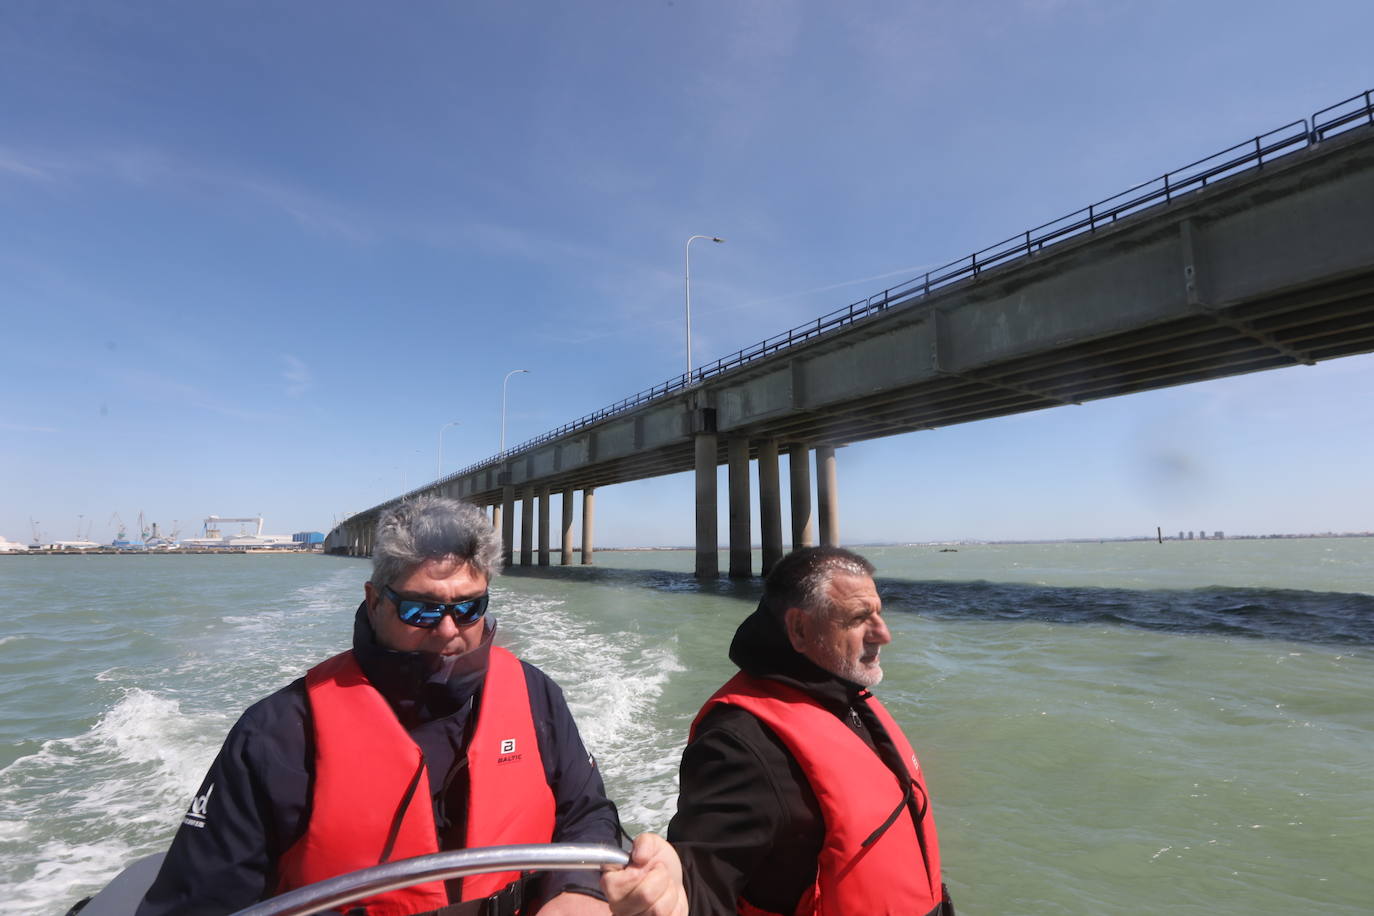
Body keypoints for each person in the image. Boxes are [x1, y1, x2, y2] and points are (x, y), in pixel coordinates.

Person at [136, 495, 621, 916]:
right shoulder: (279, 732)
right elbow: (199, 902)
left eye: (468, 607)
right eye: (421, 609)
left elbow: (587, 812)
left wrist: (578, 889)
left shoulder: (536, 694)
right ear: (374, 602)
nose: (448, 630)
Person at [609, 546, 953, 916]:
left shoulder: (847, 700)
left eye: (879, 615)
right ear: (799, 629)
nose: (883, 634)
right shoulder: (740, 745)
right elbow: (701, 887)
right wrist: (669, 896)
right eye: (858, 619)